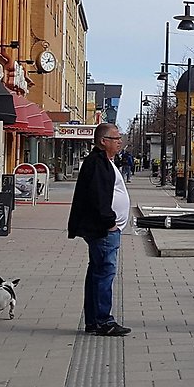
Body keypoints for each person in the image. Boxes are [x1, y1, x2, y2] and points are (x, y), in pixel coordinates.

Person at [68, 123, 132, 337]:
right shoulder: (97, 163)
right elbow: (98, 196)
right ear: (104, 141)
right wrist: (109, 222)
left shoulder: (103, 161)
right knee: (104, 273)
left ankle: (94, 320)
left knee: (97, 273)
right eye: (116, 138)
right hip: (103, 230)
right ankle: (104, 320)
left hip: (103, 229)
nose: (119, 141)